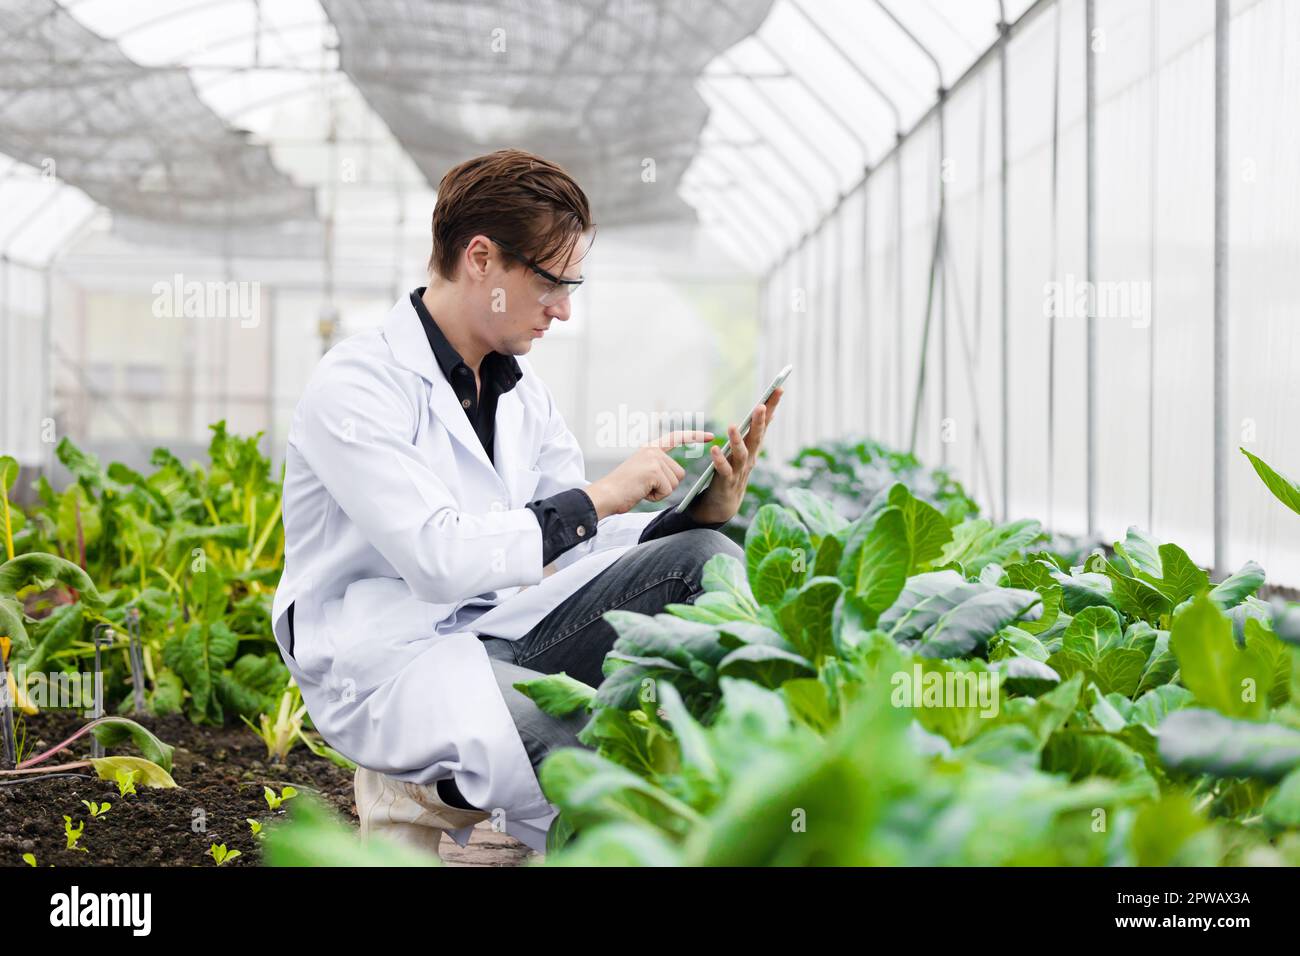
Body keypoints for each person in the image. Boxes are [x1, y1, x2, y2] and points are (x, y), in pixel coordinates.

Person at [270, 148, 782, 857]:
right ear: (481, 258)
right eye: (551, 283)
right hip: (386, 665)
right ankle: (423, 792)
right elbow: (438, 558)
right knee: (572, 752)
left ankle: (502, 815)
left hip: (500, 628)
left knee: (703, 559)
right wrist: (601, 495)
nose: (564, 310)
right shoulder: (356, 388)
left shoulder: (520, 391)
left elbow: (567, 546)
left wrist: (695, 513)